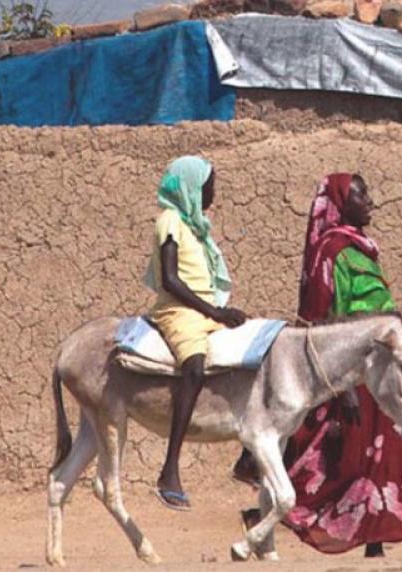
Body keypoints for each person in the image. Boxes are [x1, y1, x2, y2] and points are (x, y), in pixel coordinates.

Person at [234, 173, 402, 557]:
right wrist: (343, 386)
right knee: (337, 458)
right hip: (344, 370)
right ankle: (263, 514)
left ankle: (374, 541)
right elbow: (319, 319)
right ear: (339, 203)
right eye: (360, 195)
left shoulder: (362, 248)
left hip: (377, 365)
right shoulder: (329, 252)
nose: (370, 202)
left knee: (378, 451)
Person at [144, 156, 248, 511]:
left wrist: (217, 313)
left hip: (203, 312)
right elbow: (171, 281)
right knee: (194, 367)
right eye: (208, 185)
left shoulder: (196, 226)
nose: (213, 192)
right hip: (177, 311)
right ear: (189, 187)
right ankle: (169, 468)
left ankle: (249, 458)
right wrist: (215, 311)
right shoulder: (169, 221)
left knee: (254, 355)